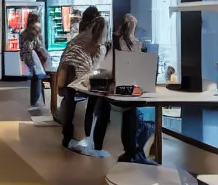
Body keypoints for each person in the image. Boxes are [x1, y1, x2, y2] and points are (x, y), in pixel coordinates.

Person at [57, 15, 107, 149]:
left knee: (70, 107)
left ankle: (68, 137)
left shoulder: (77, 40)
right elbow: (96, 67)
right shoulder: (99, 47)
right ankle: (86, 138)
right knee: (90, 109)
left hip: (71, 80)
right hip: (85, 82)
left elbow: (65, 61)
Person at [114, 14, 155, 164]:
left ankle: (131, 150)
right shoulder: (134, 44)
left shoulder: (117, 42)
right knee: (132, 114)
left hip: (124, 83)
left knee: (129, 114)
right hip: (131, 84)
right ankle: (134, 151)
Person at [19, 12, 48, 111]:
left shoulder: (24, 32)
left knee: (35, 78)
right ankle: (37, 101)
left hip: (27, 57)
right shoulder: (34, 29)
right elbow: (38, 44)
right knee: (38, 77)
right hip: (34, 57)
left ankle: (35, 101)